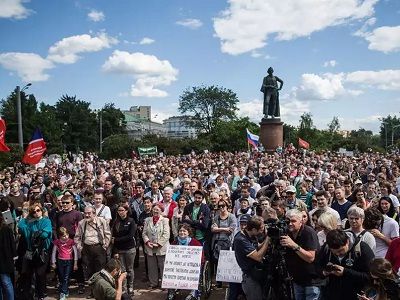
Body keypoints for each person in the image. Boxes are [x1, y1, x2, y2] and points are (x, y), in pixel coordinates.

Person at [316, 229, 375, 300]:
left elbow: (370, 277)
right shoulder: (326, 249)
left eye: (341, 250)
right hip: (331, 294)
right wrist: (324, 272)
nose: (338, 254)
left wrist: (345, 272)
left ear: (347, 242)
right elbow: (317, 266)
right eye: (334, 252)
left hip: (355, 295)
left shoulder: (362, 249)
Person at [280, 209, 322, 300]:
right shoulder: (286, 232)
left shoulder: (308, 232)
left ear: (301, 221)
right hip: (297, 279)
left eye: (293, 221)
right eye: (288, 221)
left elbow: (310, 258)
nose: (290, 224)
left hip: (311, 280)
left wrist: (294, 245)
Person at [18, 203, 52, 300]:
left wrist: (36, 233)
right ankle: (30, 295)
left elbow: (46, 234)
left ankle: (41, 295)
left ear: (42, 211)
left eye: (38, 210)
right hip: (29, 251)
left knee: (40, 274)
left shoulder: (46, 221)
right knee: (28, 274)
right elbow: (20, 226)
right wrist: (27, 217)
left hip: (42, 251)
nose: (36, 213)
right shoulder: (29, 221)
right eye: (33, 211)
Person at [233, 216, 269, 300]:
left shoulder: (251, 235)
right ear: (253, 229)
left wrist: (266, 238)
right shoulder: (241, 239)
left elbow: (257, 247)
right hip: (250, 278)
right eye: (260, 229)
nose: (261, 231)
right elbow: (258, 257)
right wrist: (268, 239)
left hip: (257, 274)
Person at [74, 206, 111, 285]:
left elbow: (108, 234)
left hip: (99, 248)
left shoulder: (101, 221)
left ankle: (101, 289)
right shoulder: (81, 223)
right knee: (90, 271)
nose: (87, 215)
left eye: (89, 213)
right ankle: (93, 291)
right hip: (86, 249)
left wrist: (105, 245)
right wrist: (79, 247)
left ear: (94, 214)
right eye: (85, 213)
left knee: (100, 271)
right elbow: (77, 237)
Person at [167, 224, 203, 300]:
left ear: (188, 232)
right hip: (178, 266)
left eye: (184, 231)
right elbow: (170, 256)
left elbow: (201, 257)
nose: (182, 232)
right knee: (170, 271)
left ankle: (193, 293)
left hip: (191, 267)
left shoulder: (195, 243)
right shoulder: (175, 242)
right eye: (180, 231)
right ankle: (171, 291)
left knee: (194, 272)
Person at [142, 203, 170, 288]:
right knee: (151, 266)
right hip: (150, 247)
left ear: (161, 211)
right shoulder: (147, 220)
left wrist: (158, 244)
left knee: (163, 266)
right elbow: (144, 233)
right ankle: (153, 283)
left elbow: (166, 234)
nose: (155, 211)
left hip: (161, 247)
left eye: (157, 209)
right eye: (154, 209)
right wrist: (147, 242)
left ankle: (164, 284)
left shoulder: (165, 220)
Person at [111, 203, 137, 295]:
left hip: (130, 249)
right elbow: (113, 237)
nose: (120, 212)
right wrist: (115, 250)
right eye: (119, 210)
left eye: (122, 210)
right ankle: (124, 288)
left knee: (130, 269)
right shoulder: (115, 222)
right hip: (119, 250)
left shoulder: (131, 221)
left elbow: (130, 236)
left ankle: (131, 286)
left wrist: (117, 240)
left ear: (126, 211)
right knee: (122, 270)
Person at [211, 199, 237, 287]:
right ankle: (219, 282)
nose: (221, 208)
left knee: (228, 263)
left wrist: (219, 229)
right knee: (218, 262)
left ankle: (229, 282)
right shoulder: (216, 217)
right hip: (218, 242)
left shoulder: (232, 217)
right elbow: (212, 229)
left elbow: (231, 230)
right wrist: (224, 229)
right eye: (219, 206)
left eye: (223, 206)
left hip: (228, 242)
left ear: (227, 206)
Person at [51, 227, 78, 300]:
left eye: (66, 235)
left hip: (69, 261)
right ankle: (65, 290)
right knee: (62, 277)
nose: (65, 237)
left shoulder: (71, 241)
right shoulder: (57, 242)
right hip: (60, 261)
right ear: (60, 236)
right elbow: (54, 252)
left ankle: (62, 293)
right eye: (63, 236)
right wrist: (53, 262)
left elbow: (75, 252)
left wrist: (75, 263)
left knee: (66, 277)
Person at [0, 213, 16, 300]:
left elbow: (12, 244)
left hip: (4, 260)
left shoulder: (6, 229)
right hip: (4, 260)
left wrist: (14, 256)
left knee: (6, 282)